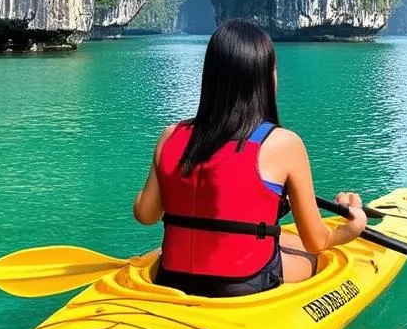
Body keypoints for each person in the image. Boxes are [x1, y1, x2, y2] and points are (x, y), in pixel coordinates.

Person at [132, 19, 368, 298]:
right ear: (266, 79)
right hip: (242, 285)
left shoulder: (171, 135)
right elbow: (317, 240)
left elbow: (145, 215)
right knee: (314, 258)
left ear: (210, 77)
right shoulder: (284, 144)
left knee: (284, 239)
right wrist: (353, 227)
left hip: (171, 278)